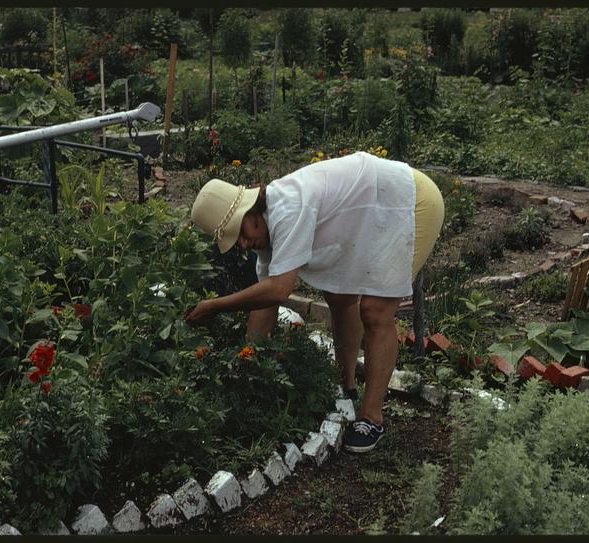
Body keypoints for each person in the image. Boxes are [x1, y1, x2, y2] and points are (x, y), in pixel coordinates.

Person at [185, 151, 444, 453]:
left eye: (240, 234)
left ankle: (371, 418)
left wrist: (212, 307)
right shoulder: (264, 228)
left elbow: (279, 291)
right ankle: (346, 386)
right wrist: (250, 365)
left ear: (250, 212)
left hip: (410, 201)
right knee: (339, 295)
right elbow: (263, 303)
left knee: (375, 311)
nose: (243, 245)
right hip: (369, 209)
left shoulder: (288, 208)